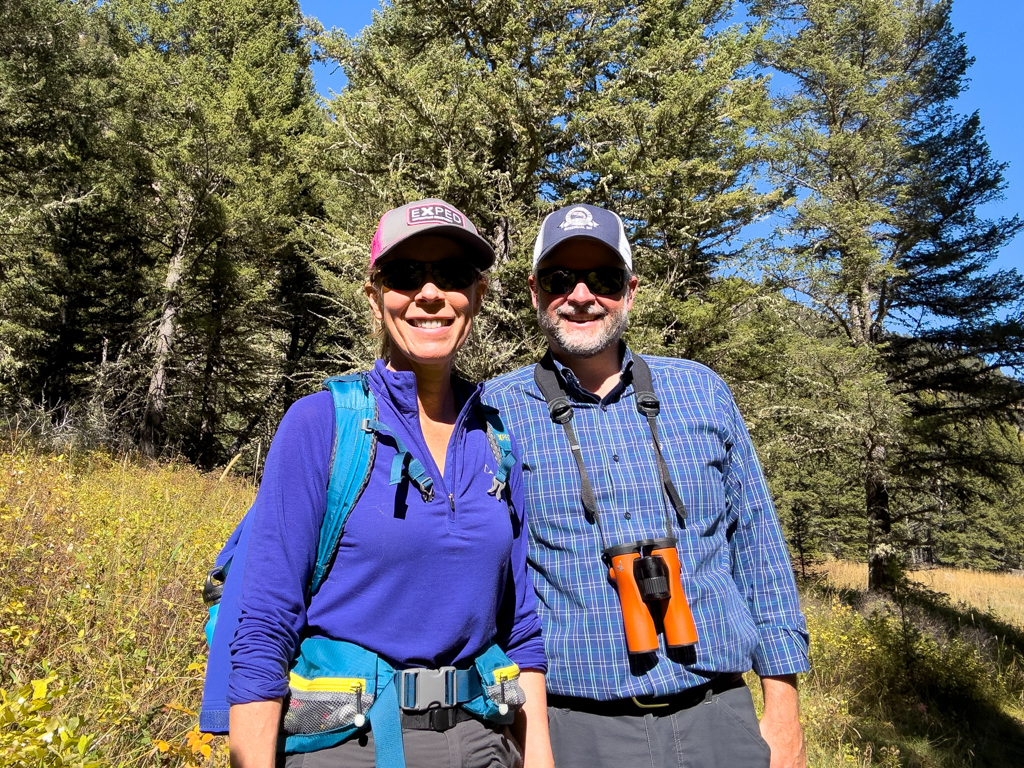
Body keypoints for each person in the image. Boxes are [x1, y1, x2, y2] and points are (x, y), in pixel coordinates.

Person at [226, 199, 553, 768]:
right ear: (376, 298)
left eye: (452, 276)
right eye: (406, 276)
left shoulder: (496, 439)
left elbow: (521, 625)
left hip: (484, 743)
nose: (430, 294)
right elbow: (265, 620)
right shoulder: (322, 423)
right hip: (350, 746)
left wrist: (539, 759)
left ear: (476, 296)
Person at [484, 203, 810, 768]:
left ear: (630, 291)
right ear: (535, 291)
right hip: (568, 727)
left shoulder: (700, 390)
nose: (582, 295)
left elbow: (759, 547)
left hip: (718, 716)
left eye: (604, 279)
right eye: (561, 279)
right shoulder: (495, 410)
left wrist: (782, 709)